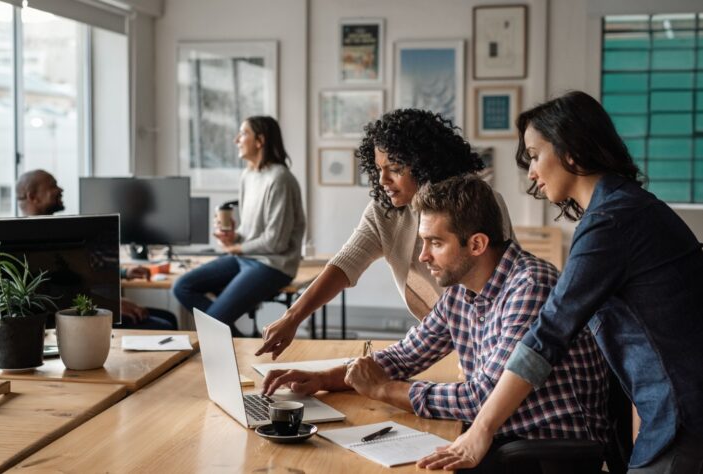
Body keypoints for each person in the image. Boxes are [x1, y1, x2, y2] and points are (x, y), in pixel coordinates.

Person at [421, 91, 703, 473]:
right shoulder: (624, 208)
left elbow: (548, 334)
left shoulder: (611, 222)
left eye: (535, 155)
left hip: (684, 416)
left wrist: (481, 429)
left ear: (571, 151)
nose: (532, 172)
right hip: (673, 412)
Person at [262, 175, 609, 473]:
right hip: (502, 436)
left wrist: (384, 390)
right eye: (423, 241)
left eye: (435, 243)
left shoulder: (530, 286)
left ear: (476, 244)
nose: (424, 256)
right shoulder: (464, 288)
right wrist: (326, 379)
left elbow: (481, 398)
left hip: (543, 450)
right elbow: (405, 356)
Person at [257, 108, 513, 359]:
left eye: (395, 168)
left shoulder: (476, 203)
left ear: (426, 164)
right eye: (379, 169)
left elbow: (496, 287)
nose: (382, 180)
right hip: (437, 336)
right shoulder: (385, 211)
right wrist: (292, 318)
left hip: (489, 335)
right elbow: (345, 263)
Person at [172, 116, 305, 336]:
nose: (236, 139)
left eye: (243, 133)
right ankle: (238, 340)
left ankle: (228, 339)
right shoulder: (248, 176)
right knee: (182, 286)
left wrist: (237, 248)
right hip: (246, 258)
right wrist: (233, 237)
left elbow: (276, 242)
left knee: (213, 321)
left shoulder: (280, 179)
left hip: (273, 265)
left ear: (260, 140)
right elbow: (250, 232)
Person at [16, 170, 177, 330]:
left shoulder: (54, 232)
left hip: (89, 306)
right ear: (32, 197)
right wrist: (112, 306)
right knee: (165, 325)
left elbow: (82, 273)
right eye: (53, 186)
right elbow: (61, 297)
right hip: (74, 318)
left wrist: (124, 274)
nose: (60, 190)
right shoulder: (29, 242)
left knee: (168, 317)